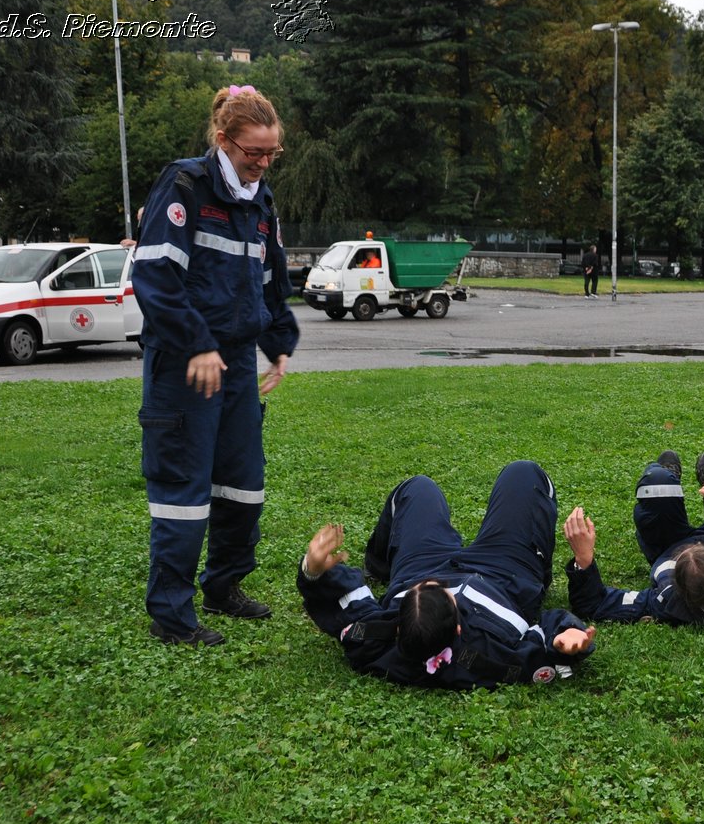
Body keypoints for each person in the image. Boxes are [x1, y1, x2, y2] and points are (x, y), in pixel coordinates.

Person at [133, 84, 299, 646]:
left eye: (272, 154)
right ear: (225, 141)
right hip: (184, 363)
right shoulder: (183, 185)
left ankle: (224, 587)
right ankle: (172, 617)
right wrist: (197, 344)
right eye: (254, 153)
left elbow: (271, 282)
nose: (263, 164)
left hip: (235, 366)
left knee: (242, 484)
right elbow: (155, 276)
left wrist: (280, 343)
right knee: (183, 490)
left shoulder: (261, 202)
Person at [298, 461, 596, 689]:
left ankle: (379, 563)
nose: (439, 584)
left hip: (421, 566)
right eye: (440, 590)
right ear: (458, 629)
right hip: (503, 576)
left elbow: (349, 603)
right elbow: (542, 647)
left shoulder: (376, 637)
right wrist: (565, 637)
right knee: (525, 475)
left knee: (418, 488)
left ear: (399, 626)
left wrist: (312, 570)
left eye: (423, 589)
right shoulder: (490, 654)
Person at [562, 449, 704, 628]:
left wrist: (583, 559)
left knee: (657, 482)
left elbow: (595, 604)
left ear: (678, 588)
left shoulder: (665, 601)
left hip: (668, 544)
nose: (694, 546)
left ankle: (669, 478)